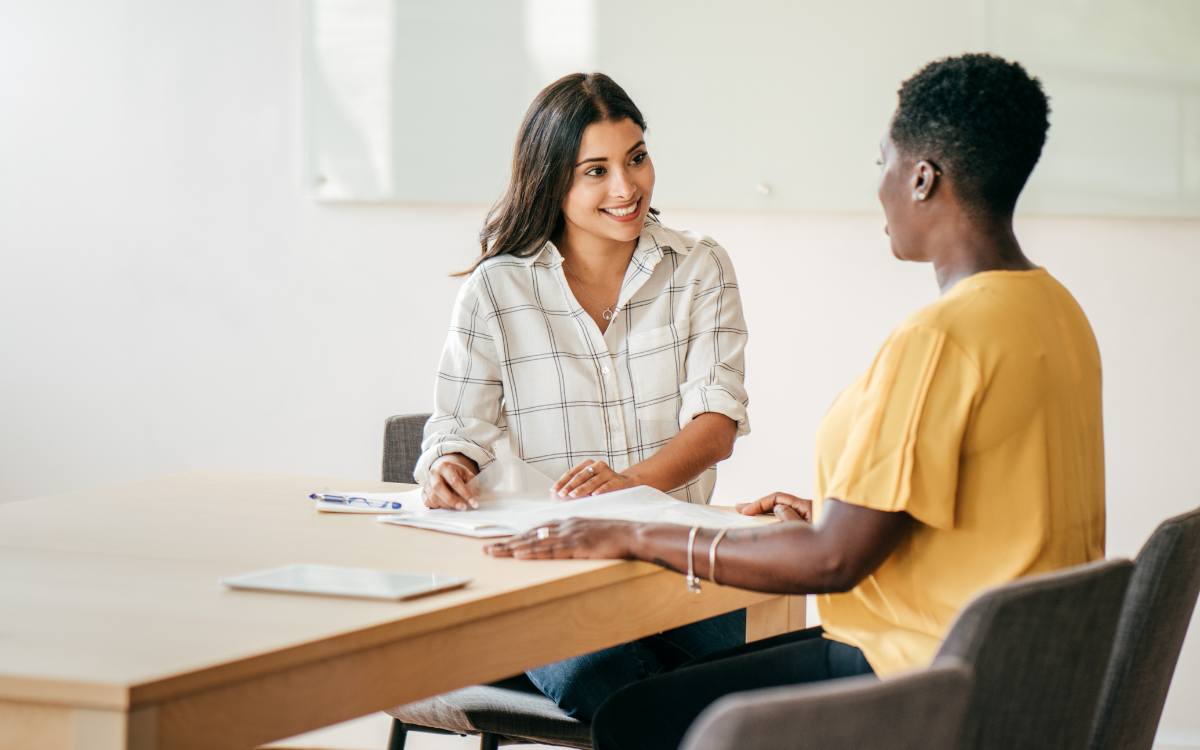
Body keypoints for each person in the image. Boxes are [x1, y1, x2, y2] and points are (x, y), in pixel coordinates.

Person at [487, 53, 1106, 749]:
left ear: (923, 178)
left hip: (916, 680)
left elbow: (833, 563)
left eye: (885, 163)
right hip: (1016, 679)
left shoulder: (941, 340)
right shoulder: (1055, 312)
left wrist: (633, 531)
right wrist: (833, 516)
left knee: (632, 714)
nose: (881, 188)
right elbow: (998, 511)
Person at [414, 73, 752, 719]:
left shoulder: (699, 266)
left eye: (636, 158)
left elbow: (716, 423)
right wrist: (449, 466)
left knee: (770, 667)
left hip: (677, 572)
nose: (626, 188)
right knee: (619, 685)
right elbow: (457, 425)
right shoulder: (496, 289)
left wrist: (624, 490)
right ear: (552, 180)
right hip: (549, 580)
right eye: (595, 170)